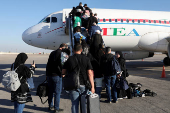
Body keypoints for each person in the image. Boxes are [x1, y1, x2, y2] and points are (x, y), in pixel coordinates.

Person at [62, 44, 95, 113]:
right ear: (81, 50)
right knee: (84, 105)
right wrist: (92, 87)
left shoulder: (69, 59)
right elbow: (90, 73)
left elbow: (63, 72)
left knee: (74, 104)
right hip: (84, 85)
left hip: (73, 85)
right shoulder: (86, 59)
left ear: (73, 50)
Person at [46, 43, 66, 113]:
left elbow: (48, 64)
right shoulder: (62, 54)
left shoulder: (52, 53)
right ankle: (56, 108)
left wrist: (47, 74)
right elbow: (62, 64)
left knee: (50, 91)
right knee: (57, 92)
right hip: (57, 75)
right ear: (63, 48)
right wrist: (63, 73)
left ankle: (50, 106)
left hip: (49, 75)